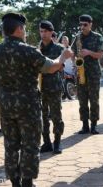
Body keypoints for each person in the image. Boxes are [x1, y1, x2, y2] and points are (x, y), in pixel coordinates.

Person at [0, 13, 72, 187]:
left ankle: (14, 182)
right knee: (30, 143)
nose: (26, 32)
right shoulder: (27, 50)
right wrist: (63, 58)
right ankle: (27, 181)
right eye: (24, 29)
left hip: (6, 104)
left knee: (11, 144)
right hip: (28, 105)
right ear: (19, 29)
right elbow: (51, 67)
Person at [72, 14, 103, 134]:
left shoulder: (98, 37)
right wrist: (75, 62)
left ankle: (94, 125)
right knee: (82, 100)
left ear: (91, 24)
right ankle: (84, 125)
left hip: (93, 74)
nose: (82, 27)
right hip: (81, 73)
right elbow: (72, 53)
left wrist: (89, 52)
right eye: (80, 24)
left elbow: (100, 54)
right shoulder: (77, 38)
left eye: (85, 24)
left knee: (94, 100)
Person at [38, 20, 65, 154]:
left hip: (54, 87)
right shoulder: (37, 49)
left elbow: (60, 66)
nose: (43, 34)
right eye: (41, 31)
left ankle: (57, 142)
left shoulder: (59, 48)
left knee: (56, 115)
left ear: (51, 32)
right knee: (42, 116)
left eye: (46, 31)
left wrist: (48, 68)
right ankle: (46, 142)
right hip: (40, 88)